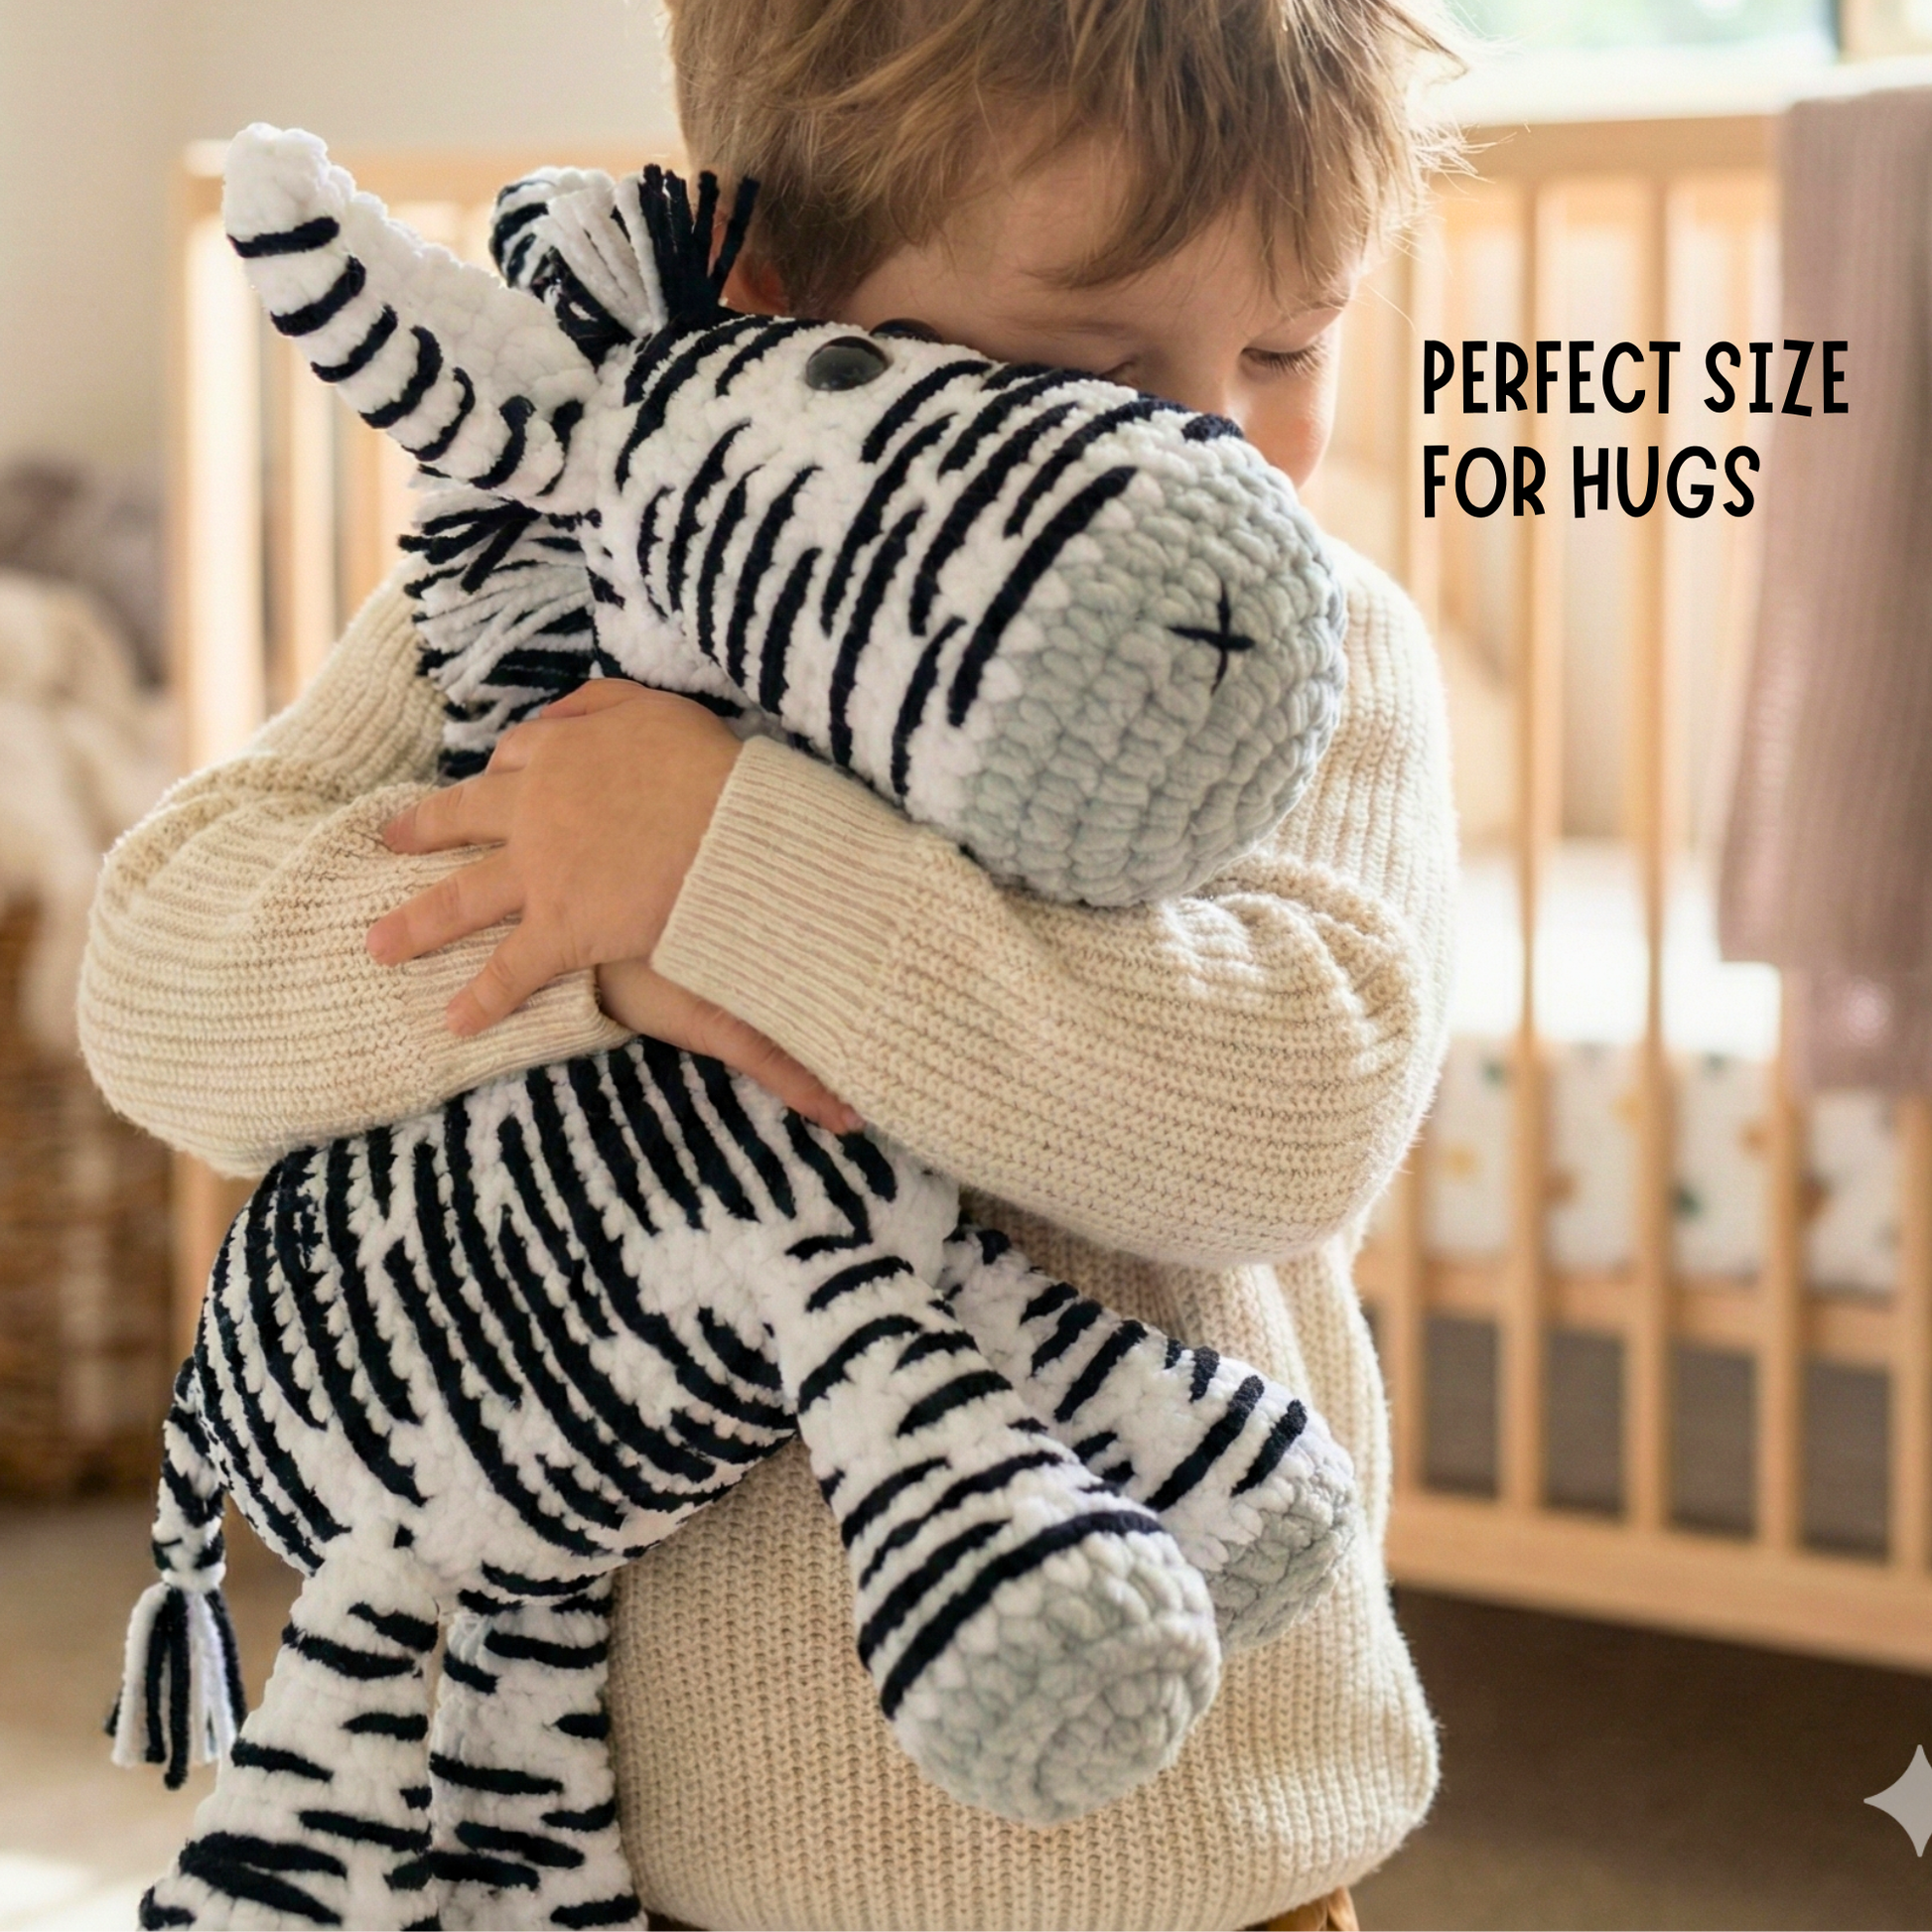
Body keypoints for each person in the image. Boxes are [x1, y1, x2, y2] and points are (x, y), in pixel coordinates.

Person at [79, 0, 1463, 1923]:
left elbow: (1288, 1115)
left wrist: (729, 865)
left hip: (1192, 1846)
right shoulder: (557, 587)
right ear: (781, 287)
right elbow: (157, 979)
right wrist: (582, 934)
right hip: (665, 1852)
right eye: (1097, 363)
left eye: (1289, 346)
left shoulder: (1294, 660)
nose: (1220, 435)